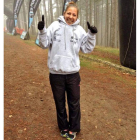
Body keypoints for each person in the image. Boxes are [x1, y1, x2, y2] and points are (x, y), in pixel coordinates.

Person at [38, 1, 97, 140]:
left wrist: (92, 34)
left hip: (73, 75)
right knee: (59, 103)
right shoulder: (54, 26)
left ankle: (74, 128)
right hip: (56, 74)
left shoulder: (80, 30)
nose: (71, 16)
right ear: (64, 13)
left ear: (77, 17)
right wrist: (42, 31)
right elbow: (44, 44)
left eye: (74, 14)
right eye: (69, 13)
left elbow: (87, 49)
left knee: (74, 103)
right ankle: (63, 126)